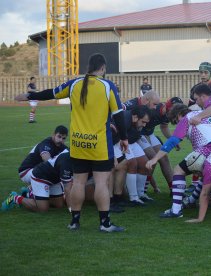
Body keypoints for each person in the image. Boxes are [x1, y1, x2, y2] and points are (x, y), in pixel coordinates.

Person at [14, 53, 129, 232]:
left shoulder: (74, 84)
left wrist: (30, 96)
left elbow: (50, 93)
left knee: (78, 183)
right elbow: (119, 116)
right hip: (99, 145)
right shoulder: (107, 86)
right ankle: (105, 224)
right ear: (103, 68)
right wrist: (124, 138)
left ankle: (74, 222)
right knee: (101, 183)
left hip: (78, 145)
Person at [145, 103, 211, 218]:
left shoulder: (187, 118)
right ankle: (191, 200)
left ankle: (176, 211)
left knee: (178, 171)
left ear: (180, 114)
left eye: (176, 121)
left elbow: (173, 140)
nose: (177, 124)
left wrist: (155, 158)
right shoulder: (208, 114)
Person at [138, 97, 183, 194]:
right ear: (169, 108)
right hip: (139, 133)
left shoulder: (167, 113)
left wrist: (173, 140)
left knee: (164, 158)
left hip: (150, 133)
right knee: (153, 158)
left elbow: (164, 127)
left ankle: (173, 189)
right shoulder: (153, 110)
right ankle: (142, 192)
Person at [2, 150, 72, 212]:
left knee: (59, 205)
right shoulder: (66, 161)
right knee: (42, 209)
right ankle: (15, 198)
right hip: (41, 177)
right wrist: (71, 210)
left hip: (54, 179)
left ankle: (30, 194)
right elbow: (67, 188)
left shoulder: (70, 154)